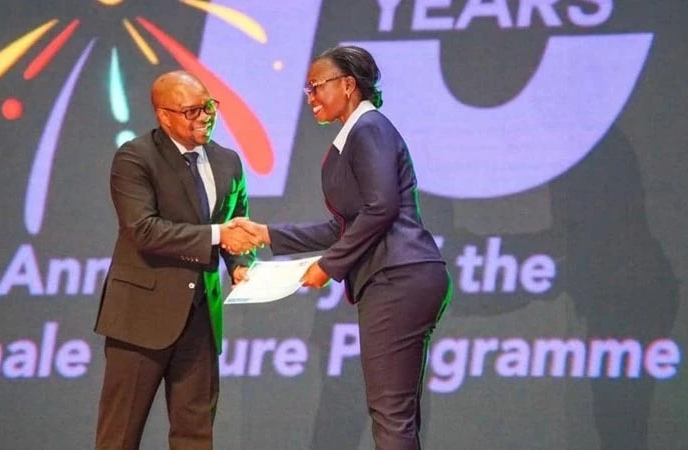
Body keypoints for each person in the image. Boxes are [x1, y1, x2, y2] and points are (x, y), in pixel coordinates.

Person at [236, 45, 451, 450]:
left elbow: (382, 207)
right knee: (396, 413)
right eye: (307, 90)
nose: (311, 98)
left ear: (349, 85)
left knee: (390, 414)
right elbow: (345, 226)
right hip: (402, 275)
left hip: (397, 276)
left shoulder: (368, 128)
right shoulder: (356, 133)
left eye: (317, 87)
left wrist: (328, 267)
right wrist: (266, 234)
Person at [93, 70, 260, 450]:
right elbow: (145, 231)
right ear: (163, 115)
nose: (205, 116)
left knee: (196, 435)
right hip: (140, 319)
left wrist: (241, 263)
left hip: (201, 317)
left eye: (209, 106)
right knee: (119, 436)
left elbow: (235, 224)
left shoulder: (228, 161)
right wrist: (219, 236)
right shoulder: (135, 158)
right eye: (192, 111)